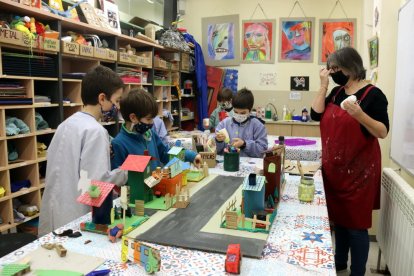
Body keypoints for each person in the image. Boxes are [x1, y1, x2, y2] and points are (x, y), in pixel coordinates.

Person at [311, 47, 389, 276]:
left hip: (360, 172)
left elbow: (383, 131)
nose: (334, 72)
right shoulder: (336, 92)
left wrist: (360, 115)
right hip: (335, 170)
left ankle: (357, 272)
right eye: (331, 68)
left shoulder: (373, 95)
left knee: (356, 226)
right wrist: (324, 84)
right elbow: (316, 114)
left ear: (352, 67)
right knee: (339, 221)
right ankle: (339, 263)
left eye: (337, 68)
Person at [39, 65, 128, 236]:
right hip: (75, 217)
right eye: (116, 101)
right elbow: (97, 183)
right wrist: (124, 173)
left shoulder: (65, 124)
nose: (117, 106)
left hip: (54, 213)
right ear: (102, 98)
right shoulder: (95, 131)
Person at [111, 88, 201, 171]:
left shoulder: (150, 133)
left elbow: (165, 152)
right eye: (148, 119)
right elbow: (118, 180)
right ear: (133, 118)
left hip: (157, 186)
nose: (152, 123)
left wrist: (191, 155)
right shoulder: (119, 144)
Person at [215, 88, 268, 158]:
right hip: (228, 163)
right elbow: (215, 150)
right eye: (236, 112)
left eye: (243, 113)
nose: (239, 115)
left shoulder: (258, 126)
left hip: (250, 166)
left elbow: (262, 151)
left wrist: (244, 144)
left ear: (250, 110)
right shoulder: (224, 124)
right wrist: (218, 141)